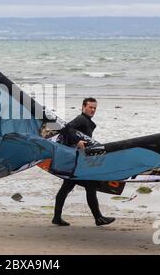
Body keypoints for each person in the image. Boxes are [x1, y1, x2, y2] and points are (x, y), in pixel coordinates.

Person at [52, 97, 116, 227]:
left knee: (67, 188)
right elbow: (66, 128)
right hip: (78, 162)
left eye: (94, 108)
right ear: (83, 107)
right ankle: (98, 218)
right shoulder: (81, 119)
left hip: (78, 161)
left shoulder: (87, 122)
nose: (92, 110)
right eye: (90, 107)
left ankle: (57, 217)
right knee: (90, 187)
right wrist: (77, 141)